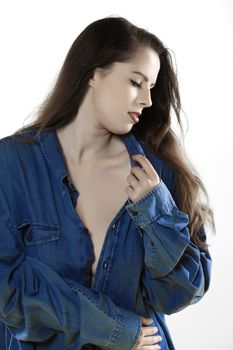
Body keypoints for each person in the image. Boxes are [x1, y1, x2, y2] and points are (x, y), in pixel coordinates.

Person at [0, 15, 215, 350]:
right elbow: (7, 286)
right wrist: (115, 329)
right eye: (135, 82)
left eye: (152, 88)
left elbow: (179, 294)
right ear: (93, 74)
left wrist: (155, 213)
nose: (146, 99)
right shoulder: (12, 165)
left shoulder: (156, 174)